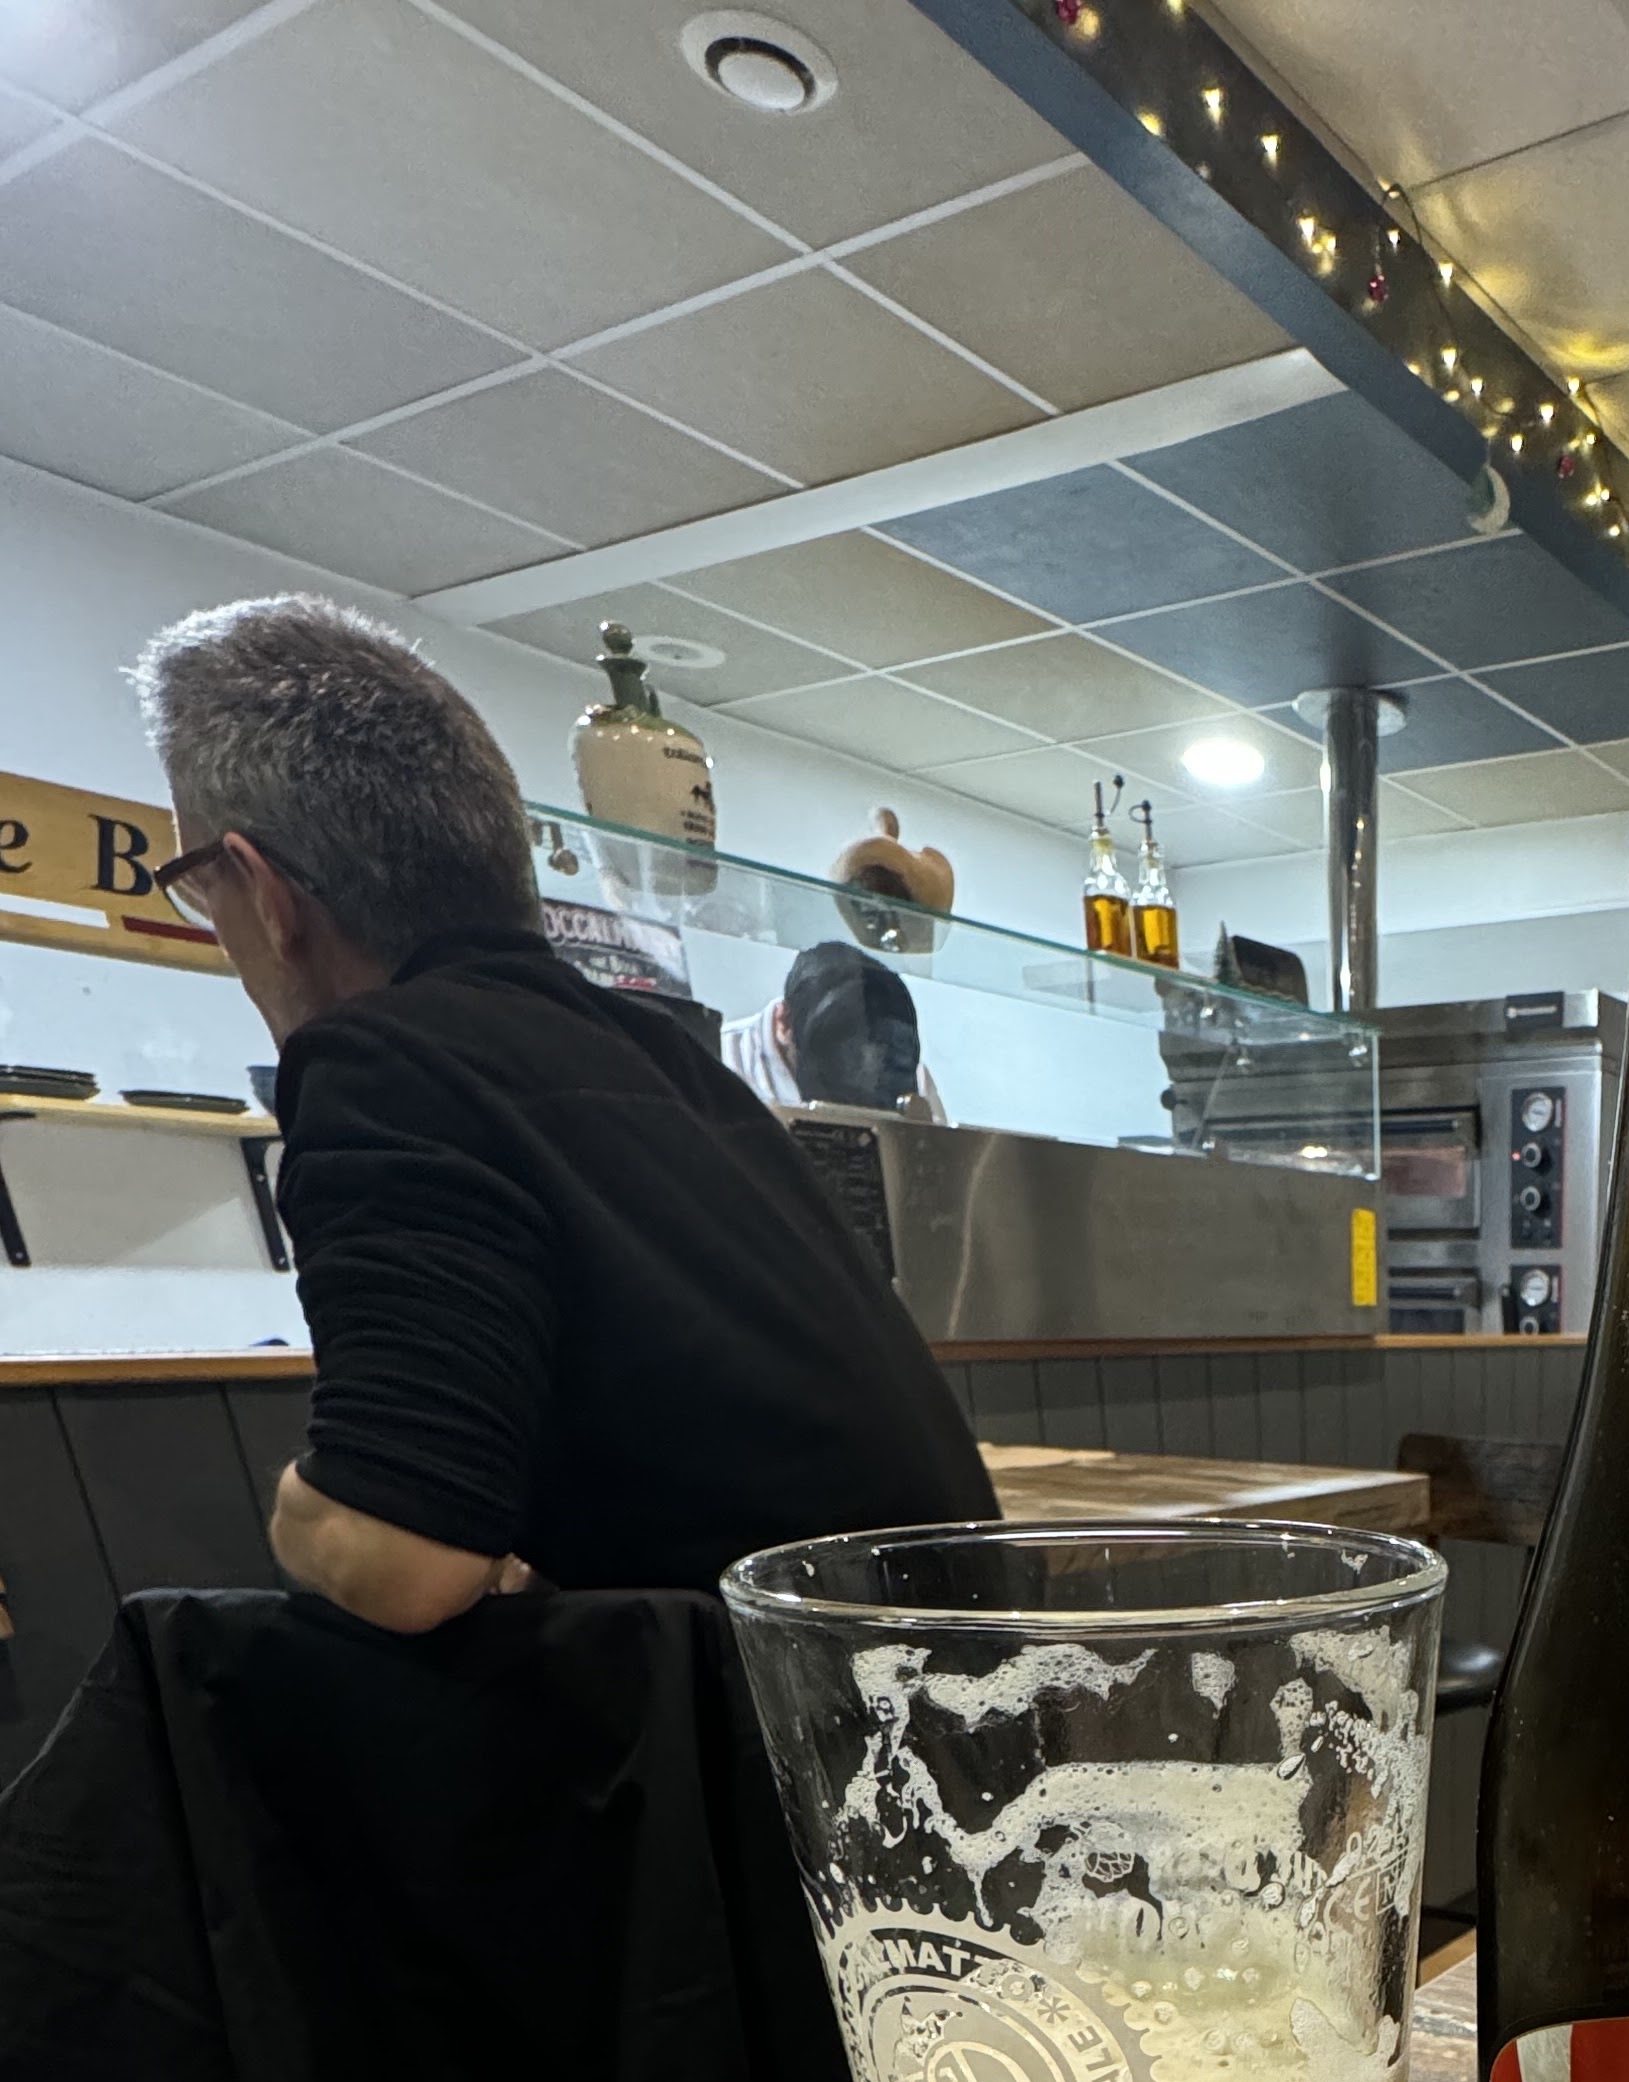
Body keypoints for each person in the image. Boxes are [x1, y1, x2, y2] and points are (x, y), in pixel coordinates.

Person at [137, 595, 992, 1633]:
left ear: (265, 893)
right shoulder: (660, 1057)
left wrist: (302, 1514)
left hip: (797, 1714)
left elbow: (400, 1563)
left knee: (176, 1657)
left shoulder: (383, 1059)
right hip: (938, 1686)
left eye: (197, 886)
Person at [723, 938, 949, 1119]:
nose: (868, 1063)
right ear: (784, 1023)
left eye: (881, 1042)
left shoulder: (911, 1076)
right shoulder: (723, 1059)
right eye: (846, 1043)